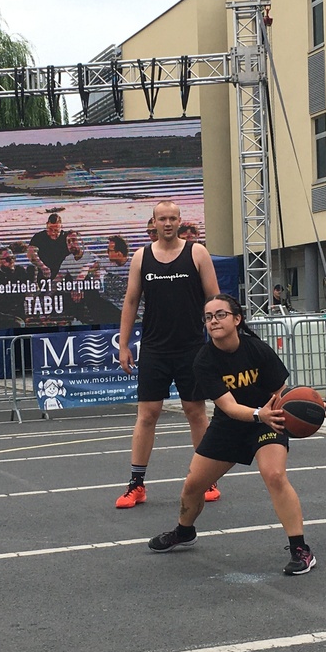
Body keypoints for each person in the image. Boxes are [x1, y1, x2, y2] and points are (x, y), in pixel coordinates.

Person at [148, 294, 316, 575]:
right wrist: (257, 413)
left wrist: (277, 411)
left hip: (267, 423)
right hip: (230, 425)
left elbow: (280, 389)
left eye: (220, 315)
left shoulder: (256, 349)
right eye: (208, 317)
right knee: (193, 485)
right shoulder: (203, 360)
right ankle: (184, 531)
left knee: (274, 475)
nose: (213, 321)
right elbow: (227, 406)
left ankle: (301, 549)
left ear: (237, 319)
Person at [117, 200, 221, 508]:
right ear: (153, 223)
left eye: (172, 218)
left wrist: (218, 340)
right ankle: (136, 484)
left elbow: (214, 299)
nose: (167, 223)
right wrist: (123, 345)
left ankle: (206, 478)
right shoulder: (141, 257)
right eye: (162, 218)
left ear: (180, 222)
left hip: (191, 348)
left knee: (196, 413)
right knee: (147, 415)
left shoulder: (197, 252)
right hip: (154, 349)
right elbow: (131, 302)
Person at [57, 231, 120, 324]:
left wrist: (78, 286)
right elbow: (57, 278)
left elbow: (90, 274)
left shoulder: (91, 257)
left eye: (74, 240)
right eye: (68, 242)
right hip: (78, 295)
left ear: (81, 242)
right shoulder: (68, 259)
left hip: (98, 295)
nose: (71, 244)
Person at [27, 212, 69, 281]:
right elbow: (31, 254)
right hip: (44, 273)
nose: (52, 233)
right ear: (47, 225)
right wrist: (42, 267)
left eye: (56, 230)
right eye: (50, 229)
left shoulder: (67, 237)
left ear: (61, 227)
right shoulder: (39, 237)